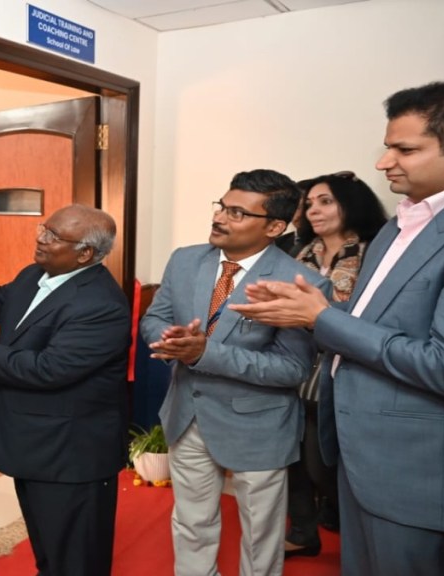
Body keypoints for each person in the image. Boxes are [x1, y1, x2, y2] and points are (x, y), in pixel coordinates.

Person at [231, 80, 444, 576]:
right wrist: (306, 310)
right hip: (360, 451)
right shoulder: (399, 225)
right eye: (387, 147)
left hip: (417, 467)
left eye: (405, 149)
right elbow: (372, 324)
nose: (383, 162)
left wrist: (321, 317)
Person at [139, 169, 331, 576]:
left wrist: (204, 353)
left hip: (257, 424)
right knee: (192, 523)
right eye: (222, 206)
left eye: (237, 213)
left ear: (274, 227)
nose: (220, 218)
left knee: (261, 536)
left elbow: (291, 369)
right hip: (186, 413)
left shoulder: (300, 284)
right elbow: (153, 319)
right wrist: (169, 339)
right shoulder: (185, 259)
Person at [0, 204, 131, 576]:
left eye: (53, 236)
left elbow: (49, 369)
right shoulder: (36, 273)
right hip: (34, 444)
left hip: (70, 456)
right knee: (49, 552)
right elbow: (2, 305)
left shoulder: (101, 305)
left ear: (85, 253)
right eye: (44, 228)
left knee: (77, 561)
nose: (40, 239)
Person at [283, 171, 388, 559]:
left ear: (350, 204)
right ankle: (302, 531)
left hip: (343, 368)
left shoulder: (375, 252)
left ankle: (358, 534)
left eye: (325, 201)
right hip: (292, 362)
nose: (314, 210)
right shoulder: (296, 251)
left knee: (323, 464)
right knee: (290, 457)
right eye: (309, 203)